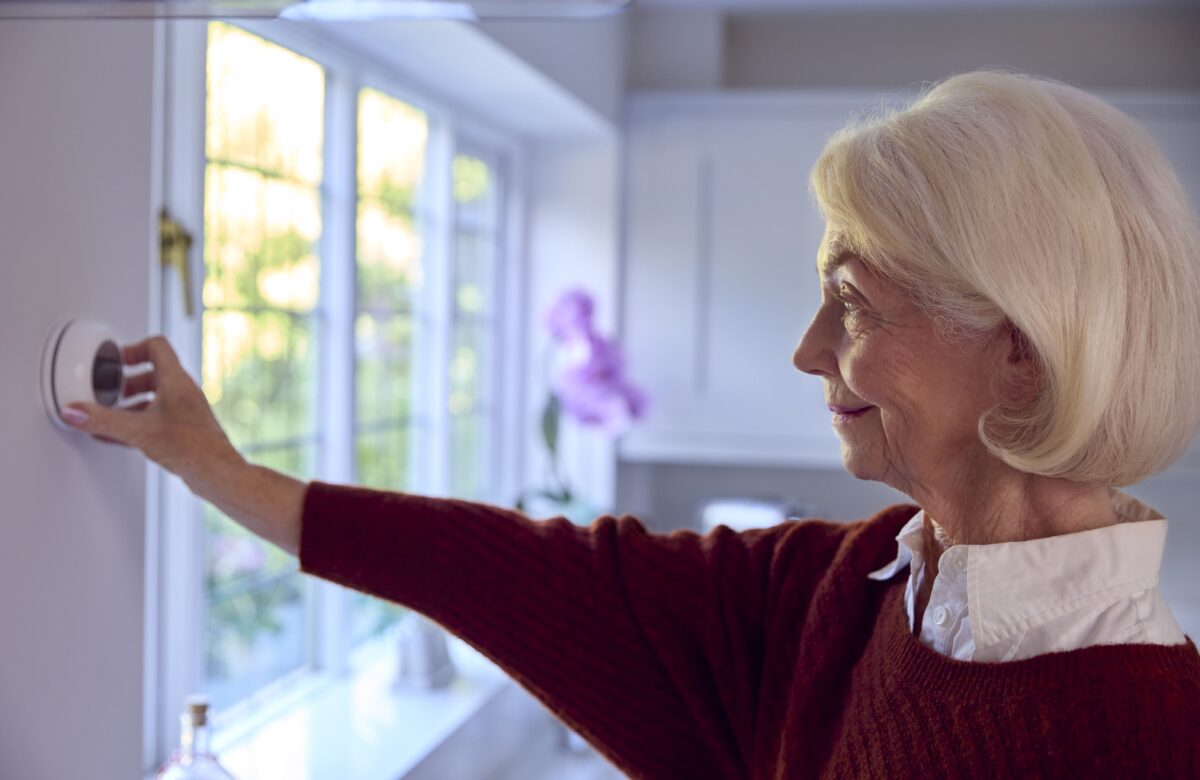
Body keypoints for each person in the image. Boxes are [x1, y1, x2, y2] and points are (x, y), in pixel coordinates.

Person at [62, 68, 1200, 778]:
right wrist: (220, 470)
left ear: (1019, 353)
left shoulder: (1149, 736)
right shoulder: (848, 591)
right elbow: (521, 575)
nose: (808, 349)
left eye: (853, 303)